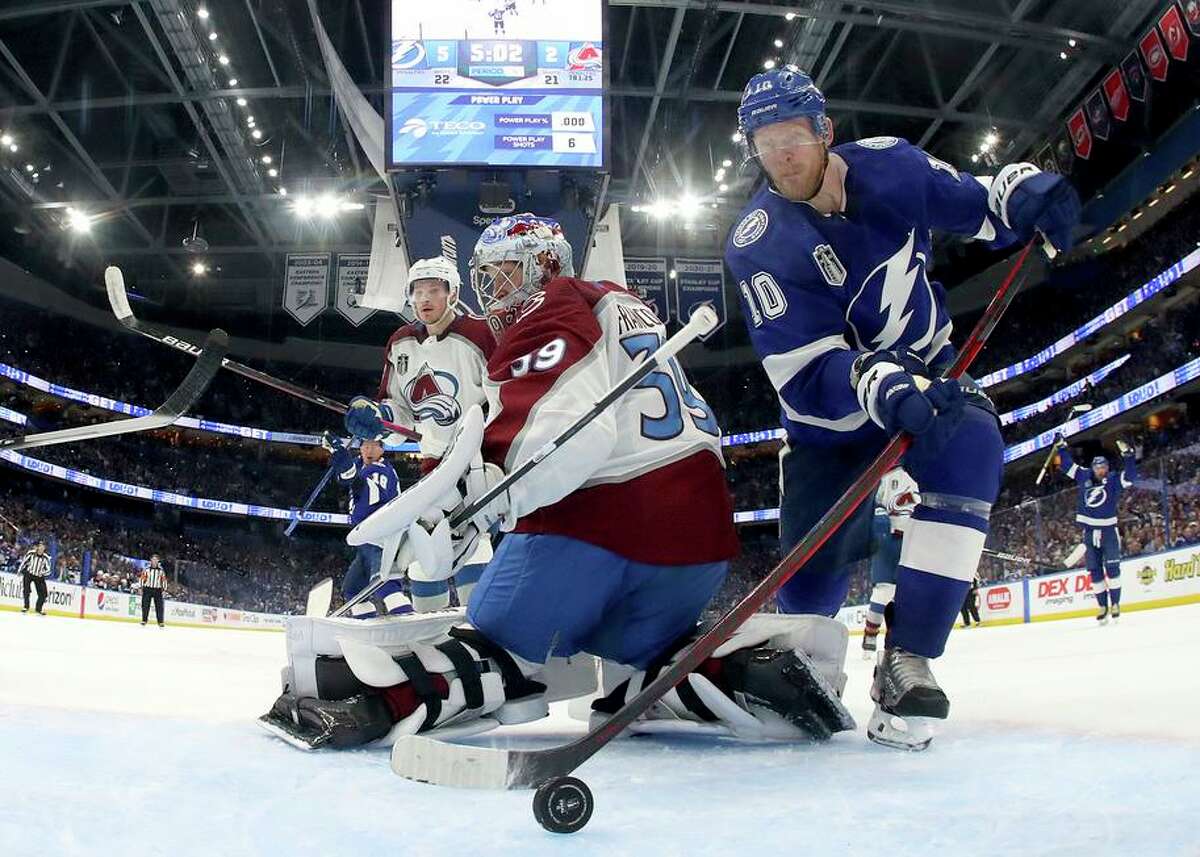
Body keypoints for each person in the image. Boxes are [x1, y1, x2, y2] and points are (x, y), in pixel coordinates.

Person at [261, 214, 856, 751]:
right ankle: (739, 672)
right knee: (635, 662)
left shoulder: (553, 307)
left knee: (500, 642)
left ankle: (369, 699)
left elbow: (564, 438)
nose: (493, 293)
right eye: (485, 278)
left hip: (602, 527)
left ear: (544, 266)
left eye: (502, 275)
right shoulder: (622, 304)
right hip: (699, 548)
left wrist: (471, 506)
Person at [722, 65, 1081, 749]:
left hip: (927, 379)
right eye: (763, 144)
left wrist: (1023, 192)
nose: (780, 156)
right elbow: (803, 372)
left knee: (973, 443)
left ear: (824, 129)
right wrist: (877, 382)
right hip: (831, 425)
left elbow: (979, 206)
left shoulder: (893, 166)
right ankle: (805, 664)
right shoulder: (757, 242)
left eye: (791, 137)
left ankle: (908, 656)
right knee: (811, 576)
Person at [345, 256, 496, 610]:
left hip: (481, 460)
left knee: (466, 539)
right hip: (434, 467)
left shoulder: (481, 334)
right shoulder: (401, 344)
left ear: (452, 293)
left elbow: (504, 396)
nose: (425, 299)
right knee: (428, 547)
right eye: (418, 292)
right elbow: (399, 412)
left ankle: (481, 622)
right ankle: (433, 629)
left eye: (434, 291)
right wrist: (379, 419)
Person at [1055, 436, 1136, 624]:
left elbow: (1130, 477)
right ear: (1093, 468)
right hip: (1090, 532)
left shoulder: (1114, 479)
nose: (1101, 470)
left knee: (1113, 568)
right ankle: (1102, 606)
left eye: (1104, 467)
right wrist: (1061, 447)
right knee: (1095, 571)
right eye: (1098, 468)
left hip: (1108, 531)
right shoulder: (1084, 475)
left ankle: (1115, 603)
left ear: (1107, 468)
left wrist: (1129, 456)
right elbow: (1066, 466)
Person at [327, 437, 401, 608]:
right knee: (352, 591)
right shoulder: (361, 465)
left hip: (381, 538)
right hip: (366, 540)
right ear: (360, 448)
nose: (369, 451)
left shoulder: (381, 470)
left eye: (374, 447)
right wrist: (338, 455)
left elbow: (364, 489)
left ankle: (407, 619)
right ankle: (365, 624)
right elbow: (346, 476)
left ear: (382, 450)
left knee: (384, 585)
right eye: (366, 446)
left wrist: (340, 453)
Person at [861, 468, 919, 657]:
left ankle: (897, 638)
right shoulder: (887, 470)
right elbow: (873, 503)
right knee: (883, 591)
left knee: (909, 592)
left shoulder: (925, 468)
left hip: (915, 540)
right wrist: (880, 525)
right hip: (889, 539)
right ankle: (870, 636)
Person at [18, 540, 51, 615]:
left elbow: (48, 570)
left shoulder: (46, 558)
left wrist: (42, 573)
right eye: (40, 546)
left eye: (43, 546)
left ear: (44, 548)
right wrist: (19, 570)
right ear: (38, 547)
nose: (41, 548)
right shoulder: (31, 553)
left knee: (43, 594)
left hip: (39, 576)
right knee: (26, 590)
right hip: (29, 574)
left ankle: (38, 609)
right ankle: (26, 607)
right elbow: (24, 561)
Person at [139, 554, 167, 627]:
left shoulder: (161, 570)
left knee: (159, 606)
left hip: (157, 590)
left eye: (156, 559)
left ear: (158, 561)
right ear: (151, 560)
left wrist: (164, 590)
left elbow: (164, 580)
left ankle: (160, 622)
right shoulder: (146, 569)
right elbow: (142, 578)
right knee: (145, 605)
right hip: (147, 588)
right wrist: (140, 588)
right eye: (153, 559)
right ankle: (144, 620)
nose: (154, 561)